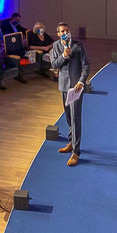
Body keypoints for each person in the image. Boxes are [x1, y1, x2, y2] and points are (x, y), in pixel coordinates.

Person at [49, 21, 89, 167]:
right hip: (64, 86)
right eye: (62, 31)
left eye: (67, 30)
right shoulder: (56, 46)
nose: (65, 33)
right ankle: (71, 143)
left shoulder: (78, 45)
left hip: (76, 87)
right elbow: (54, 65)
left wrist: (82, 82)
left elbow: (86, 65)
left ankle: (76, 152)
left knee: (75, 119)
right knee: (68, 117)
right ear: (58, 33)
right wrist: (64, 56)